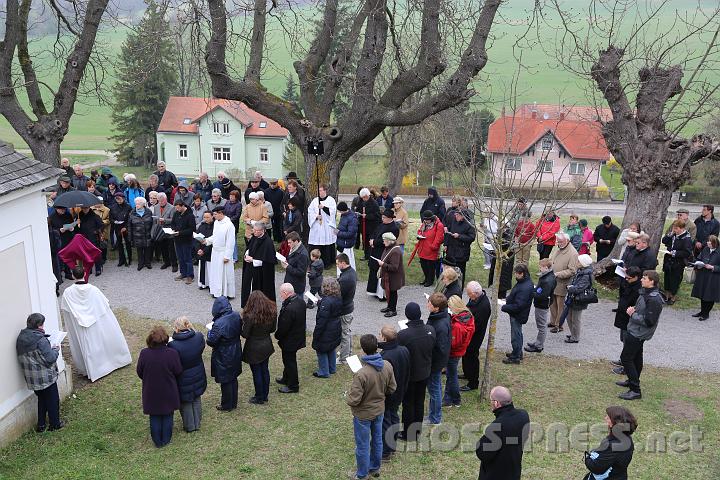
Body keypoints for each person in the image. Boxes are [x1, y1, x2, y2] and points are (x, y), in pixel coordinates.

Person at [60, 265, 132, 381]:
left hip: (80, 325)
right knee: (100, 343)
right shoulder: (93, 289)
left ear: (73, 276)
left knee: (87, 346)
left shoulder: (68, 292)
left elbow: (67, 311)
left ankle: (92, 369)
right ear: (84, 274)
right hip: (95, 322)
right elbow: (104, 305)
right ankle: (107, 363)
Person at [346, 334, 396, 480]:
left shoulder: (361, 374)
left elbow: (354, 400)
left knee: (362, 445)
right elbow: (392, 388)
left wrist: (347, 396)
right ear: (377, 346)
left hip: (363, 415)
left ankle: (361, 475)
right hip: (379, 410)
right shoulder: (387, 365)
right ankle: (374, 468)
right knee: (377, 439)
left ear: (363, 349)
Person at [616, 270, 663, 400]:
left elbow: (649, 321)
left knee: (626, 358)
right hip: (636, 330)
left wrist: (632, 314)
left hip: (639, 333)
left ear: (652, 282)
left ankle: (635, 390)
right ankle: (632, 381)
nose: (641, 280)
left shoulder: (654, 299)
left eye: (644, 278)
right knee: (636, 357)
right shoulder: (646, 293)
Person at [16, 313, 63, 432]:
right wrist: (56, 349)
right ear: (39, 326)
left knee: (42, 399)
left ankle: (41, 425)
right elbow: (50, 359)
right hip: (45, 378)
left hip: (32, 379)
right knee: (53, 401)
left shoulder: (21, 338)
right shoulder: (40, 340)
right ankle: (55, 424)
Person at [136, 326, 182, 447]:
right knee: (168, 414)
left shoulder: (144, 354)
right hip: (168, 389)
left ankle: (157, 441)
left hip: (151, 390)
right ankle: (166, 440)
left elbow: (139, 371)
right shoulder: (172, 353)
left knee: (154, 415)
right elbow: (178, 370)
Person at [397, 302, 436, 441]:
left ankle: (408, 433)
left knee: (408, 403)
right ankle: (417, 429)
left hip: (410, 374)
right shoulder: (430, 329)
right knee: (419, 401)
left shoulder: (403, 335)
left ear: (407, 315)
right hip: (425, 371)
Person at [476, 386, 530, 480]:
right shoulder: (523, 415)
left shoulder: (496, 426)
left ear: (496, 403)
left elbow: (482, 453)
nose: (490, 403)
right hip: (513, 471)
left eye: (491, 400)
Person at [167, 317, 207, 433]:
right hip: (198, 372)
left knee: (185, 401)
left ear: (177, 329)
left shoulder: (173, 345)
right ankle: (197, 422)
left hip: (183, 376)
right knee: (196, 397)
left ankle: (190, 426)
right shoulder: (199, 337)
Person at [378, 325, 409, 460]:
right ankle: (393, 444)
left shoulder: (385, 357)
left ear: (384, 338)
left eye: (380, 335)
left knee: (386, 421)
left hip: (389, 394)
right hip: (401, 390)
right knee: (394, 417)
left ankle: (386, 451)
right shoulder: (404, 350)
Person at [206, 296, 243, 411]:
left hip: (224, 354)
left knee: (226, 380)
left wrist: (209, 331)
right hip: (235, 350)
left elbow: (211, 341)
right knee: (233, 377)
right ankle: (233, 402)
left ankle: (226, 405)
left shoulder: (219, 324)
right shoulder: (236, 315)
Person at [241, 291, 277, 405]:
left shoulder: (249, 315)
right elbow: (272, 329)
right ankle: (264, 395)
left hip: (254, 348)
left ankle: (259, 396)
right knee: (264, 370)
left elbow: (245, 334)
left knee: (257, 372)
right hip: (266, 344)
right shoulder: (272, 311)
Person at [583, 406, 637, 480]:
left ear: (614, 423)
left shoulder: (613, 446)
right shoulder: (627, 438)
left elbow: (596, 468)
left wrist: (587, 458)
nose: (605, 418)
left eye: (608, 418)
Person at [443, 295, 474, 407]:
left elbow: (454, 343)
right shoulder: (468, 316)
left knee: (452, 376)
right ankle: (447, 399)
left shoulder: (457, 325)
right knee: (451, 375)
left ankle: (456, 399)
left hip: (454, 353)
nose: (450, 309)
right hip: (461, 351)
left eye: (451, 307)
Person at [275, 283, 307, 393]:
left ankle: (293, 385)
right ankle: (286, 378)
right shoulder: (300, 301)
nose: (280, 296)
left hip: (290, 340)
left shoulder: (289, 309)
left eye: (281, 294)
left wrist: (277, 336)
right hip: (297, 336)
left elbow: (283, 327)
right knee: (288, 360)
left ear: (286, 293)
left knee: (289, 361)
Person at [610, 266, 642, 376]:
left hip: (629, 319)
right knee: (623, 339)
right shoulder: (628, 283)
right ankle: (623, 360)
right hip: (623, 316)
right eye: (626, 277)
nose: (626, 280)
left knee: (628, 343)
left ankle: (626, 366)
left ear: (636, 277)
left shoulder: (638, 290)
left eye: (629, 278)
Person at [460, 282, 491, 392]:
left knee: (472, 356)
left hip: (475, 336)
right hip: (469, 332)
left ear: (476, 293)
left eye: (469, 294)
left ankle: (473, 382)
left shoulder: (484, 306)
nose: (468, 296)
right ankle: (467, 373)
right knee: (465, 354)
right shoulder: (476, 299)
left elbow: (477, 325)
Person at [425, 292, 451, 425]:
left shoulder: (440, 325)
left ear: (436, 308)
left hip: (434, 362)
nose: (427, 304)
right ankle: (433, 415)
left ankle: (435, 418)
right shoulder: (440, 316)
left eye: (430, 303)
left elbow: (440, 348)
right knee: (435, 388)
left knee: (434, 390)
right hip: (436, 361)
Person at [501, 264, 534, 364]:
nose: (515, 275)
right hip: (519, 314)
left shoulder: (524, 287)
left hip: (518, 315)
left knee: (516, 336)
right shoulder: (525, 282)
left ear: (522, 273)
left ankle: (515, 357)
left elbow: (518, 305)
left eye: (516, 273)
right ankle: (518, 353)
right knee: (518, 334)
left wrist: (505, 307)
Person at [202, 206, 236, 299]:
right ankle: (216, 291)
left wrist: (227, 256)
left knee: (224, 273)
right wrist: (207, 241)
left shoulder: (229, 225)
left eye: (215, 214)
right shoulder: (217, 222)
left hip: (223, 252)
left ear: (221, 213)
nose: (214, 216)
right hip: (215, 251)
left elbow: (230, 242)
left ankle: (226, 293)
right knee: (215, 272)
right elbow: (215, 236)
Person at [549, 232, 580, 333]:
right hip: (553, 281)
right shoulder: (559, 248)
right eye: (558, 241)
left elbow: (572, 271)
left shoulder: (573, 253)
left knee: (560, 305)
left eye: (561, 241)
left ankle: (559, 325)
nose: (559, 243)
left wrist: (557, 274)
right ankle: (553, 321)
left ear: (567, 241)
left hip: (562, 283)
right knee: (552, 303)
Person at [312, 278, 343, 378]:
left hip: (326, 329)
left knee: (321, 350)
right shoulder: (338, 297)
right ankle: (332, 368)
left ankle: (324, 371)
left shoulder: (326, 302)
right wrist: (320, 303)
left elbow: (322, 321)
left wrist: (316, 334)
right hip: (335, 327)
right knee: (331, 348)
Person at [525, 258, 557, 353]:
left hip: (542, 305)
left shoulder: (547, 280)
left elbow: (543, 295)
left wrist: (532, 293)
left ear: (546, 267)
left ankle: (539, 346)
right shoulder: (550, 276)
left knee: (541, 326)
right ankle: (538, 342)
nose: (539, 269)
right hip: (543, 303)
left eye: (541, 267)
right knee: (541, 325)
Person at [241, 223, 277, 306]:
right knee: (248, 286)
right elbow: (249, 248)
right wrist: (246, 255)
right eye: (254, 230)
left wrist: (253, 260)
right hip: (251, 268)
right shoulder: (254, 237)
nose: (255, 232)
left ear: (263, 231)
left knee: (260, 290)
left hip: (261, 273)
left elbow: (268, 262)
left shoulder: (268, 243)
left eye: (257, 231)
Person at [367, 209, 400, 299]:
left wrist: (375, 242)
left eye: (384, 217)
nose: (382, 219)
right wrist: (371, 240)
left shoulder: (394, 228)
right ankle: (373, 291)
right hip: (375, 250)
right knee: (373, 270)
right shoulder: (381, 224)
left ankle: (382, 294)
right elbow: (374, 233)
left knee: (382, 272)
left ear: (390, 218)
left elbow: (388, 241)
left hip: (384, 252)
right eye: (382, 217)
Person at [661, 219, 693, 305]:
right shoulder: (673, 234)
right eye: (674, 228)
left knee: (675, 280)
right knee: (667, 278)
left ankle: (673, 296)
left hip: (678, 263)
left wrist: (675, 253)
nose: (674, 230)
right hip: (668, 260)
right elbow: (664, 241)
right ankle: (667, 295)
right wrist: (670, 234)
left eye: (676, 228)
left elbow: (687, 252)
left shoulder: (686, 238)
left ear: (682, 228)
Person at [565, 254, 595, 344]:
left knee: (575, 319)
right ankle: (573, 333)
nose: (577, 262)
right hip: (574, 298)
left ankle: (575, 337)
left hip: (579, 300)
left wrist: (569, 288)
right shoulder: (581, 271)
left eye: (578, 261)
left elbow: (579, 288)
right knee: (569, 317)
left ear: (583, 263)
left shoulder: (586, 275)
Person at [690, 234, 720, 321]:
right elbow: (699, 258)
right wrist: (697, 263)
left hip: (713, 277)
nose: (708, 244)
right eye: (708, 242)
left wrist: (713, 267)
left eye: (710, 243)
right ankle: (702, 311)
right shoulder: (706, 249)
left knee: (710, 296)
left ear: (715, 244)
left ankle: (706, 313)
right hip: (703, 275)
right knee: (702, 294)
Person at [443, 208, 476, 285]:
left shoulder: (469, 224)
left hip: (462, 252)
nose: (456, 216)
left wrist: (459, 236)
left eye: (457, 215)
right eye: (455, 215)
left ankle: (459, 287)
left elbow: (472, 237)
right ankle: (449, 285)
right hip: (451, 250)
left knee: (460, 272)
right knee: (450, 270)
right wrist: (446, 244)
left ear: (463, 216)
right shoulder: (453, 221)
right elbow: (448, 232)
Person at [308, 184, 338, 267]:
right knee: (316, 242)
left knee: (326, 242)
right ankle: (314, 261)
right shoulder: (315, 200)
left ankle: (327, 262)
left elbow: (332, 212)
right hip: (317, 225)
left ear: (325, 191)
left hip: (326, 226)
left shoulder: (331, 200)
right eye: (318, 191)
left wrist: (323, 207)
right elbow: (310, 211)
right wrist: (316, 216)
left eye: (321, 190)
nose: (319, 192)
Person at [414, 210, 445, 287]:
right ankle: (426, 278)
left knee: (430, 266)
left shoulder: (439, 225)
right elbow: (420, 231)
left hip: (431, 249)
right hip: (423, 247)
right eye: (425, 219)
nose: (426, 221)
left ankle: (430, 280)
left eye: (427, 220)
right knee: (423, 264)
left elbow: (439, 237)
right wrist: (419, 235)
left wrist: (433, 246)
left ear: (431, 218)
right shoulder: (424, 223)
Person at [169, 198, 196, 283]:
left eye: (178, 208)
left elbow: (192, 229)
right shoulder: (176, 213)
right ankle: (183, 273)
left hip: (186, 240)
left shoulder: (190, 215)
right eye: (176, 208)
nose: (177, 209)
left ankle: (190, 275)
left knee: (187, 258)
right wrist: (173, 230)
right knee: (180, 258)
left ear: (183, 206)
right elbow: (172, 223)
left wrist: (180, 232)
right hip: (177, 239)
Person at [377, 232, 404, 318]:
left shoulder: (395, 251)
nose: (383, 242)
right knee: (389, 292)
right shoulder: (389, 247)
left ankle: (393, 310)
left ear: (389, 241)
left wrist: (383, 264)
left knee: (393, 293)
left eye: (384, 240)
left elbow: (394, 267)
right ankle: (389, 307)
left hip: (394, 277)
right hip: (388, 276)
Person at [337, 253, 357, 363]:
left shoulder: (345, 278)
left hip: (344, 310)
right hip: (349, 307)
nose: (337, 266)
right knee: (347, 332)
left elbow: (339, 295)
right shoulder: (351, 272)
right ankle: (348, 352)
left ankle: (344, 358)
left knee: (344, 334)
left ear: (343, 263)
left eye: (338, 263)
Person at [152, 193, 177, 272]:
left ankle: (174, 264)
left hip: (169, 230)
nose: (161, 202)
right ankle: (166, 262)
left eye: (162, 201)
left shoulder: (172, 207)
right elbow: (155, 217)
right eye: (159, 201)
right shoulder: (156, 207)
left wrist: (165, 220)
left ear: (166, 199)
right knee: (163, 248)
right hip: (160, 230)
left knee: (171, 248)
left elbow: (173, 220)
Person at [128, 197, 154, 270]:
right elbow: (129, 225)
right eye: (136, 204)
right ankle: (140, 263)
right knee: (139, 250)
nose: (137, 205)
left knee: (147, 249)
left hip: (147, 234)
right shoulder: (132, 213)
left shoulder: (148, 211)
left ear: (143, 204)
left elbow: (152, 223)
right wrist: (130, 237)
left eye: (139, 204)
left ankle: (147, 263)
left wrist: (152, 233)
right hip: (137, 235)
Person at [356, 188, 381, 261]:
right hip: (363, 226)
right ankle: (366, 255)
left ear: (367, 195)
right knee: (365, 241)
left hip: (372, 227)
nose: (363, 199)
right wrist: (358, 213)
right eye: (362, 198)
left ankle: (371, 256)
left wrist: (366, 216)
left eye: (364, 197)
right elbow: (358, 209)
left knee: (371, 242)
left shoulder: (374, 203)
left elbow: (377, 216)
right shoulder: (361, 202)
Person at [281, 231, 309, 297]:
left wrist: (287, 267)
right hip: (291, 284)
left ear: (296, 241)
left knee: (297, 305)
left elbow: (301, 272)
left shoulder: (302, 254)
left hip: (296, 287)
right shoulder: (294, 248)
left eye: (290, 242)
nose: (288, 244)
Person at [110, 192, 132, 266]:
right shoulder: (113, 207)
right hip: (117, 227)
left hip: (126, 228)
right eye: (116, 199)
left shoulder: (128, 207)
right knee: (119, 244)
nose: (118, 200)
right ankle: (121, 260)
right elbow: (111, 218)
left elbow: (130, 218)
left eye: (119, 198)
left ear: (123, 198)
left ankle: (128, 259)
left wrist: (125, 227)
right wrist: (114, 221)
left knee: (127, 244)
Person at [335, 201, 358, 271]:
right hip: (341, 242)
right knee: (340, 259)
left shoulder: (352, 219)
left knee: (347, 260)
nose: (339, 213)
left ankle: (349, 274)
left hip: (346, 243)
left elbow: (351, 233)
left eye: (340, 211)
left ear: (343, 210)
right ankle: (340, 274)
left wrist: (338, 233)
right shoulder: (344, 215)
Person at [195, 211, 214, 289]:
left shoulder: (215, 227)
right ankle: (203, 283)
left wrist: (204, 251)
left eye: (207, 217)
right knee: (202, 267)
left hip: (210, 250)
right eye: (204, 217)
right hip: (201, 249)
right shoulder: (201, 226)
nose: (205, 219)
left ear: (212, 217)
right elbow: (196, 238)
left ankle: (211, 284)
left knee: (210, 268)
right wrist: (198, 249)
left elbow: (213, 241)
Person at [224, 190, 243, 261]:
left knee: (233, 241)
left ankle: (235, 258)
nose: (231, 197)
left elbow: (237, 215)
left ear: (236, 197)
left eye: (233, 196)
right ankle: (227, 255)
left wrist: (228, 220)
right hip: (225, 223)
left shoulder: (239, 204)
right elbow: (224, 211)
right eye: (230, 196)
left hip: (233, 225)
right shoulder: (227, 202)